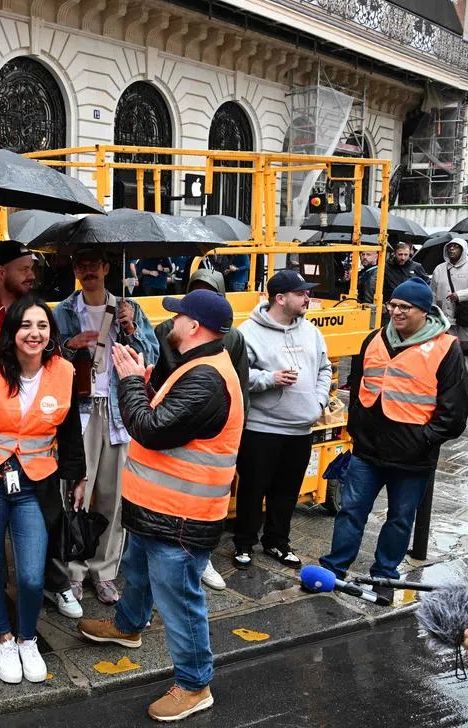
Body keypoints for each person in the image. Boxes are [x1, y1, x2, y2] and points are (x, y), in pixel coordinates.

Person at [78, 289, 243, 723]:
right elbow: (170, 420)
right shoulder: (197, 367)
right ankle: (129, 627)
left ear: (194, 326)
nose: (169, 324)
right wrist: (147, 385)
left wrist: (131, 382)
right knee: (136, 571)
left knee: (180, 601)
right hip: (159, 511)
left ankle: (194, 684)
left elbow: (151, 429)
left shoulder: (206, 377)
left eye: (177, 318)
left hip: (182, 520)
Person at [320, 278, 468, 598]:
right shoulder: (374, 339)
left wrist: (423, 439)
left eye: (404, 307)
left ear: (424, 312)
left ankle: (385, 577)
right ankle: (335, 568)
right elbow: (357, 387)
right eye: (393, 305)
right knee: (351, 510)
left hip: (412, 457)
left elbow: (454, 414)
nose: (396, 312)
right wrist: (357, 429)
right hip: (367, 450)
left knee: (400, 520)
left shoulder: (446, 348)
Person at [0, 295, 84, 684]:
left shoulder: (64, 370)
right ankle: (4, 637)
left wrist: (78, 475)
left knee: (33, 575)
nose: (34, 333)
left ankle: (28, 638)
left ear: (51, 333)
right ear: (12, 331)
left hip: (36, 482)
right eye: (26, 326)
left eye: (42, 326)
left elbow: (68, 429)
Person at [51, 247, 159, 609]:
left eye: (94, 264)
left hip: (116, 411)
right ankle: (73, 570)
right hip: (77, 411)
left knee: (114, 497)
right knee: (75, 493)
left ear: (107, 268)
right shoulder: (63, 311)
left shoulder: (131, 309)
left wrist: (129, 328)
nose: (88, 271)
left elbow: (152, 358)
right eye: (81, 264)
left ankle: (106, 569)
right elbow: (47, 357)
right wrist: (68, 346)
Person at [151, 268, 248, 592]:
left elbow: (240, 391)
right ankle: (133, 617)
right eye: (196, 291)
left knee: (194, 523)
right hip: (167, 441)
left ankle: (197, 563)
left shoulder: (230, 341)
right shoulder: (166, 331)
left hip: (200, 448)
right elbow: (157, 380)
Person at [234, 270, 331, 570]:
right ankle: (244, 543)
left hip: (300, 428)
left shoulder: (311, 331)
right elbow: (237, 375)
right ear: (280, 298)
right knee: (252, 488)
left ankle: (277, 542)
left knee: (287, 491)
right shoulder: (247, 332)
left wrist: (318, 401)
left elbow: (325, 368)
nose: (308, 298)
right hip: (261, 428)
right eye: (301, 293)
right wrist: (270, 379)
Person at [431, 237, 468, 395]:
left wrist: (461, 295)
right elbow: (434, 293)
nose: (451, 249)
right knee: (447, 350)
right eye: (449, 246)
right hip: (446, 318)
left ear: (463, 249)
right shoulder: (439, 269)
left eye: (456, 247)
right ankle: (450, 379)